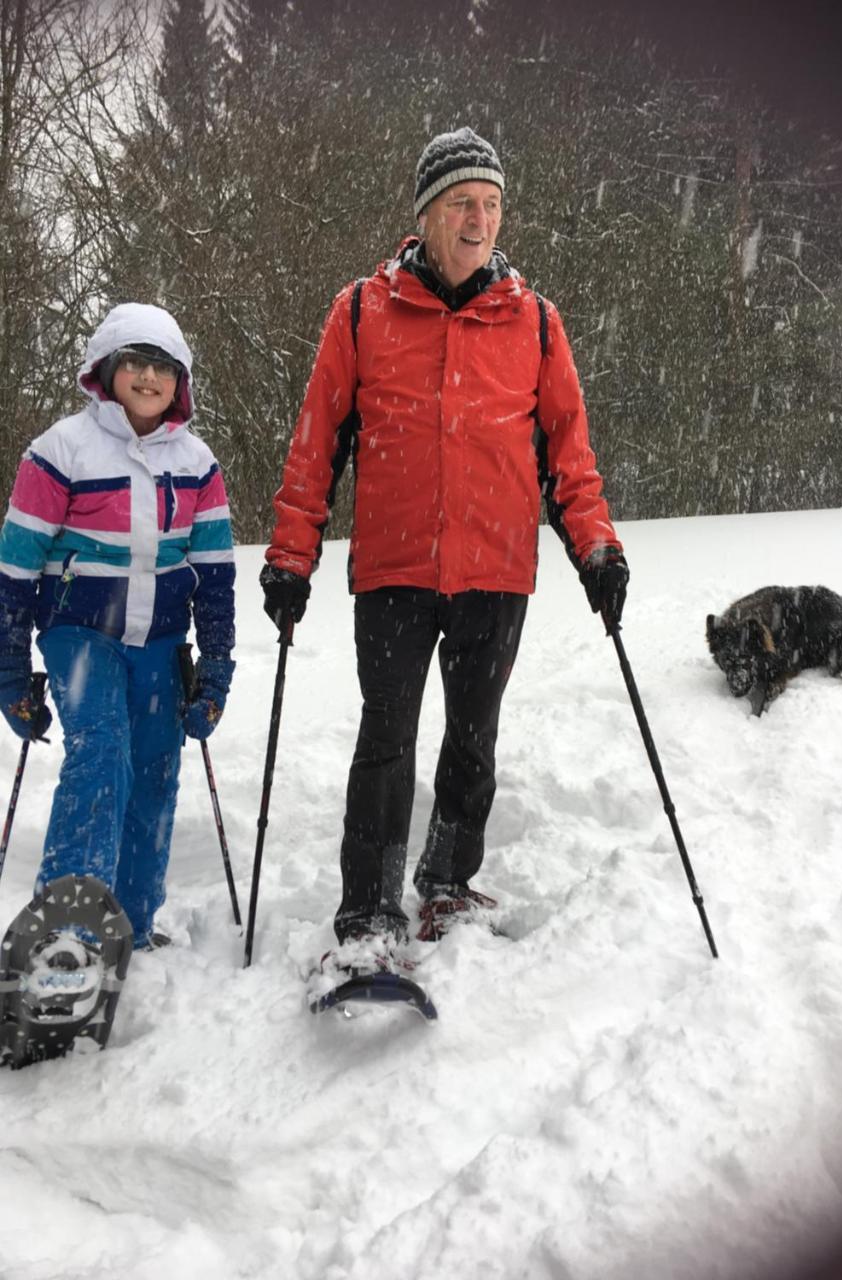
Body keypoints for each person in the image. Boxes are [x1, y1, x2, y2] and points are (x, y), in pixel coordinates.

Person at [260, 127, 627, 965]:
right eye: (462, 202)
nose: (479, 219)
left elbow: (570, 451)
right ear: (426, 213)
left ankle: (448, 884)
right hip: (393, 570)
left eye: (492, 205)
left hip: (496, 572)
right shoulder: (361, 311)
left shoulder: (534, 321)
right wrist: (290, 555)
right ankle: (368, 911)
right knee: (386, 739)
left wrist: (596, 548)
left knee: (473, 738)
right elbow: (314, 447)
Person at [0, 302, 236, 950]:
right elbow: (16, 570)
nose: (149, 377)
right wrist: (11, 673)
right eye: (135, 361)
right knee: (102, 753)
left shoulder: (197, 464)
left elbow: (215, 578)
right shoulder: (60, 451)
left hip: (159, 643)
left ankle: (129, 922)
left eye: (163, 366)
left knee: (155, 770)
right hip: (82, 635)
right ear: (106, 369)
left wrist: (215, 669)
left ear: (180, 381)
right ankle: (67, 929)